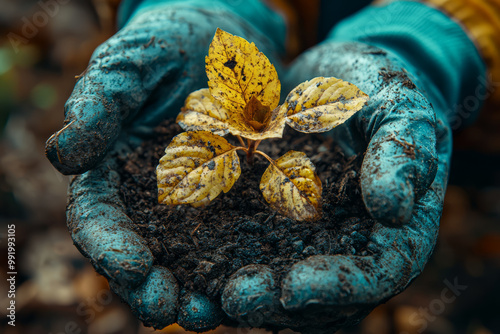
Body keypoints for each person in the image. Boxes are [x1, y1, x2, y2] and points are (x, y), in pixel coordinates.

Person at [45, 0, 500, 332]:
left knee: (401, 183)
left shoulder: (286, 128)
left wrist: (433, 43)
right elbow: (199, 113)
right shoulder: (214, 117)